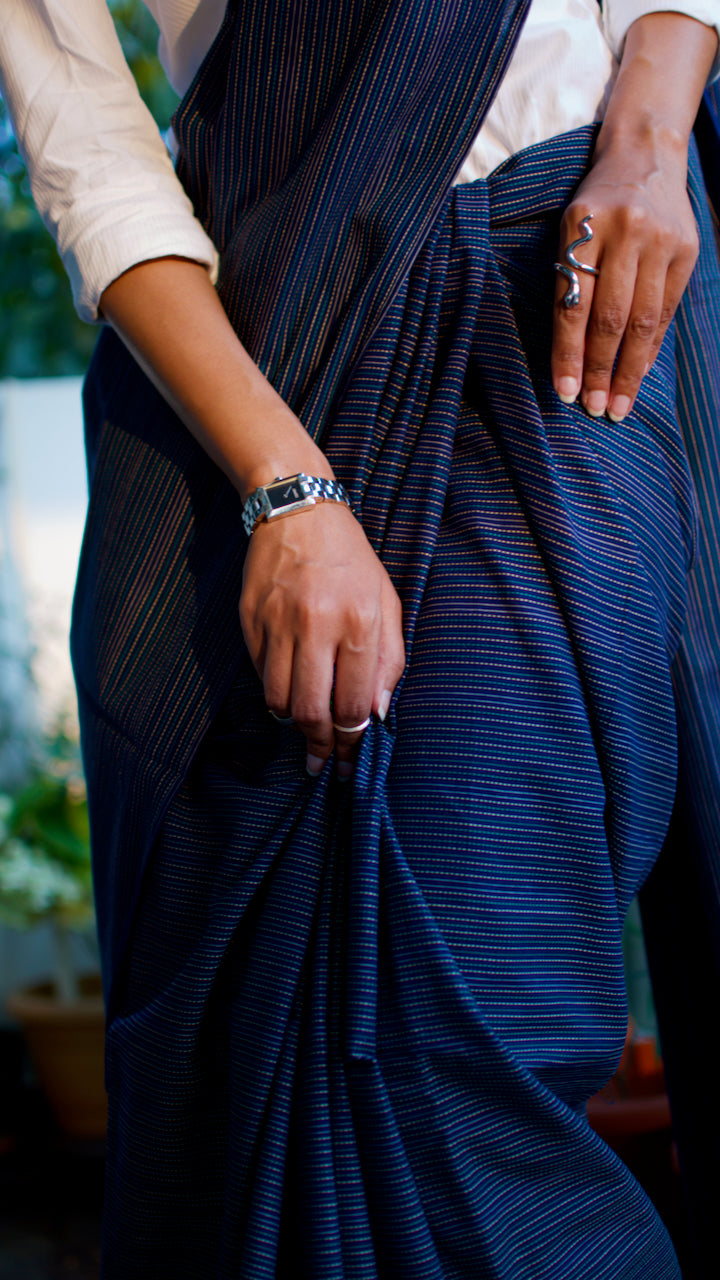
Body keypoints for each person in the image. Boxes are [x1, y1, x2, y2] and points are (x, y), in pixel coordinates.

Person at [1, 1, 720, 1275]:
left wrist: (655, 137)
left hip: (589, 287)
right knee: (329, 1054)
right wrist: (285, 486)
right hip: (268, 353)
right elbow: (84, 139)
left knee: (444, 1042)